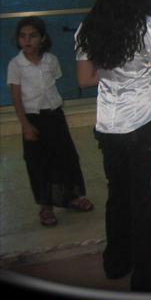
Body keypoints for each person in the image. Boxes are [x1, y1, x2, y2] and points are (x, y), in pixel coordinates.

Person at [75, 0, 151, 292]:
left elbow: (85, 79)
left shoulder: (88, 27)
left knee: (117, 196)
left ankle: (117, 263)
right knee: (145, 201)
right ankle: (148, 280)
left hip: (108, 126)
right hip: (142, 123)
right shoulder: (148, 28)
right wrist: (136, 76)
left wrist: (112, 74)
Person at [7, 17, 93, 227]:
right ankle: (46, 206)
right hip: (33, 119)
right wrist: (26, 125)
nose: (27, 40)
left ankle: (72, 196)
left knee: (66, 157)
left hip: (54, 116)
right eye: (23, 36)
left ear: (43, 38)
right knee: (39, 163)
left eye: (32, 36)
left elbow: (53, 84)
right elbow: (16, 97)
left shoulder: (51, 60)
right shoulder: (16, 65)